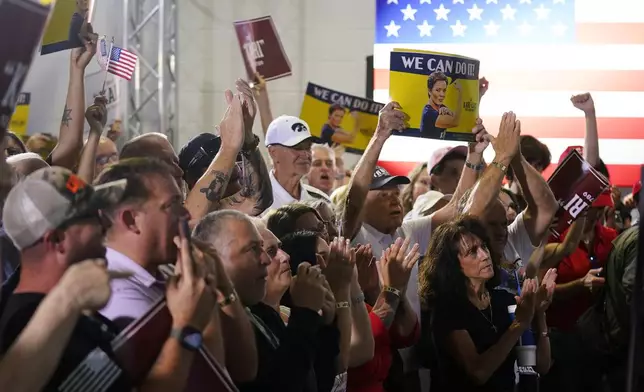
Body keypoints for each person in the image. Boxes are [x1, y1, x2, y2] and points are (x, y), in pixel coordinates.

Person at [96, 158, 258, 383]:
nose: (186, 215)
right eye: (172, 205)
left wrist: (223, 285)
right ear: (131, 219)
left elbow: (243, 370)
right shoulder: (114, 293)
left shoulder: (169, 271)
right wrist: (195, 311)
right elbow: (204, 378)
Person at [0, 166, 136, 390]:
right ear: (58, 239)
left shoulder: (71, 312)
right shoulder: (22, 330)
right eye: (93, 217)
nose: (107, 225)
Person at [192, 210, 332, 392]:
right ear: (214, 258)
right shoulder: (213, 324)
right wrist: (305, 314)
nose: (266, 259)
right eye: (252, 249)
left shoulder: (263, 313)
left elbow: (316, 384)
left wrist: (326, 325)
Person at [418, 215, 555, 391]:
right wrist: (519, 325)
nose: (484, 255)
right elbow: (478, 373)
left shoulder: (505, 300)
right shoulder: (448, 309)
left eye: (483, 246)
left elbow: (539, 365)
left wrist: (540, 314)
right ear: (452, 265)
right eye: (472, 252)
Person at [264, 115, 330, 214]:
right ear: (273, 152)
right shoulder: (254, 202)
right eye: (297, 147)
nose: (305, 154)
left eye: (308, 147)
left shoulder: (321, 201)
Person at [419, 72, 462, 139]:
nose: (442, 94)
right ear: (430, 91)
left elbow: (455, 116)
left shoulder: (441, 107)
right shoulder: (428, 113)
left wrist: (449, 111)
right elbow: (455, 122)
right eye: (438, 90)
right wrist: (460, 93)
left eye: (444, 90)